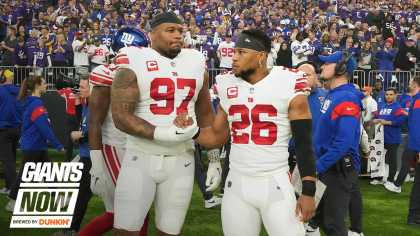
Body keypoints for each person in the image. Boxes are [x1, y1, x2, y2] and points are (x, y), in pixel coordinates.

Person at [175, 28, 317, 236]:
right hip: (237, 182)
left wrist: (309, 192)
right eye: (234, 52)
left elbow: (304, 143)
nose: (233, 58)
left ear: (261, 56)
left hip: (275, 180)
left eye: (241, 52)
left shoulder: (289, 81)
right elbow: (217, 137)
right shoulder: (225, 83)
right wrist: (193, 131)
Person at [110, 12, 217, 236]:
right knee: (125, 231)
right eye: (171, 30)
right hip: (140, 156)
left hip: (182, 159)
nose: (178, 35)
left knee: (170, 232)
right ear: (153, 34)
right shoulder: (133, 57)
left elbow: (206, 112)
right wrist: (168, 134)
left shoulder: (195, 60)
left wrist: (214, 157)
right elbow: (121, 117)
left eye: (180, 31)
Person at [79, 28, 150, 236]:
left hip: (136, 147)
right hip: (116, 147)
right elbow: (94, 122)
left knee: (118, 214)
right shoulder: (106, 74)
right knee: (134, 210)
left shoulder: (143, 74)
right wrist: (97, 167)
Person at [311, 50, 365, 236]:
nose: (322, 66)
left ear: (341, 68)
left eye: (327, 64)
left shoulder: (346, 98)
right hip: (328, 166)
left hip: (338, 168)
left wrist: (318, 166)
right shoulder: (332, 94)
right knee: (318, 216)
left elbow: (343, 141)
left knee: (334, 222)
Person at [5, 76, 64, 212]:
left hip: (36, 145)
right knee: (24, 175)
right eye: (44, 83)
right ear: (37, 86)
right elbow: (44, 127)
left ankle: (59, 198)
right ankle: (12, 202)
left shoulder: (32, 103)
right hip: (33, 145)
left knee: (48, 172)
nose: (46, 85)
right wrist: (58, 145)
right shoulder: (36, 105)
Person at [53, 74, 92, 236]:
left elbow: (102, 132)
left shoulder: (97, 105)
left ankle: (72, 229)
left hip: (93, 156)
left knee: (82, 194)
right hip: (87, 154)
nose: (79, 89)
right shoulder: (88, 103)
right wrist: (77, 101)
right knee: (82, 193)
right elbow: (80, 123)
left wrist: (82, 136)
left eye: (83, 87)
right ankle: (72, 228)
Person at [371, 88, 405, 188]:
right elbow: (374, 118)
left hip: (393, 138)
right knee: (379, 158)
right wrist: (375, 120)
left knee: (392, 160)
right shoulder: (381, 107)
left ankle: (390, 179)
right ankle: (378, 177)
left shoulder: (398, 108)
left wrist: (386, 122)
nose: (388, 96)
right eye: (387, 94)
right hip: (380, 139)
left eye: (391, 94)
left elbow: (400, 122)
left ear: (395, 96)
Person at [0, 70, 22, 195]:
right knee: (11, 159)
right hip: (17, 129)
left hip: (4, 129)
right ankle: (9, 186)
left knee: (7, 160)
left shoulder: (1, 91)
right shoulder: (19, 91)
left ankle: (13, 190)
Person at [406, 76, 420, 227]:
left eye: (409, 84)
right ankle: (414, 216)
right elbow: (417, 125)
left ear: (414, 85)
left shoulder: (416, 99)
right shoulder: (417, 100)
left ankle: (415, 216)